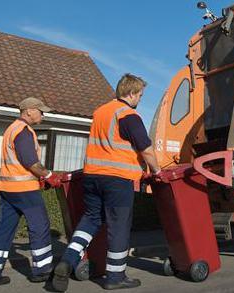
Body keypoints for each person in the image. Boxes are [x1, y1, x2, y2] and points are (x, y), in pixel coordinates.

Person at [52, 74, 161, 291]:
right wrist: (157, 170)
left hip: (92, 177)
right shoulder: (128, 115)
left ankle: (68, 259)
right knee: (118, 227)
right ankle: (115, 277)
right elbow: (146, 148)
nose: (140, 99)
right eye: (140, 95)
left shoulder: (100, 112)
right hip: (117, 179)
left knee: (91, 219)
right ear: (131, 93)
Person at [0, 97, 62, 288]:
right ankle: (42, 270)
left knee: (3, 230)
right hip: (24, 190)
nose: (43, 114)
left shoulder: (11, 129)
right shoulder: (23, 131)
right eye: (40, 111)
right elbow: (30, 162)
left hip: (8, 189)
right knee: (39, 225)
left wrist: (39, 178)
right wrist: (49, 175)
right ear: (29, 111)